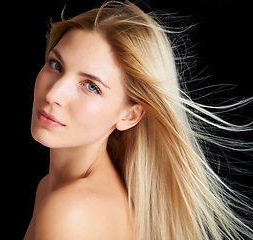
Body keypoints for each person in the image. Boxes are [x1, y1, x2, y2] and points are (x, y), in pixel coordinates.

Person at [24, 1, 253, 239]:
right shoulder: (53, 188)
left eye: (91, 86)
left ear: (129, 115)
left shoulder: (71, 210)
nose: (53, 94)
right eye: (56, 65)